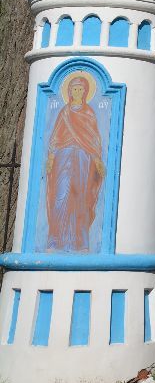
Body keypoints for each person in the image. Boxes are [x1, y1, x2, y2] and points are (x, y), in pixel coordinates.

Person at [44, 74, 105, 252]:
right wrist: (51, 158)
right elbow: (55, 137)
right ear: (69, 92)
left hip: (82, 160)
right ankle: (54, 240)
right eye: (74, 89)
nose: (77, 92)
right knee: (60, 197)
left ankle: (81, 243)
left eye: (80, 89)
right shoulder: (64, 112)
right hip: (63, 158)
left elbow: (93, 140)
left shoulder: (88, 113)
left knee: (81, 198)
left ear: (85, 92)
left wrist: (97, 160)